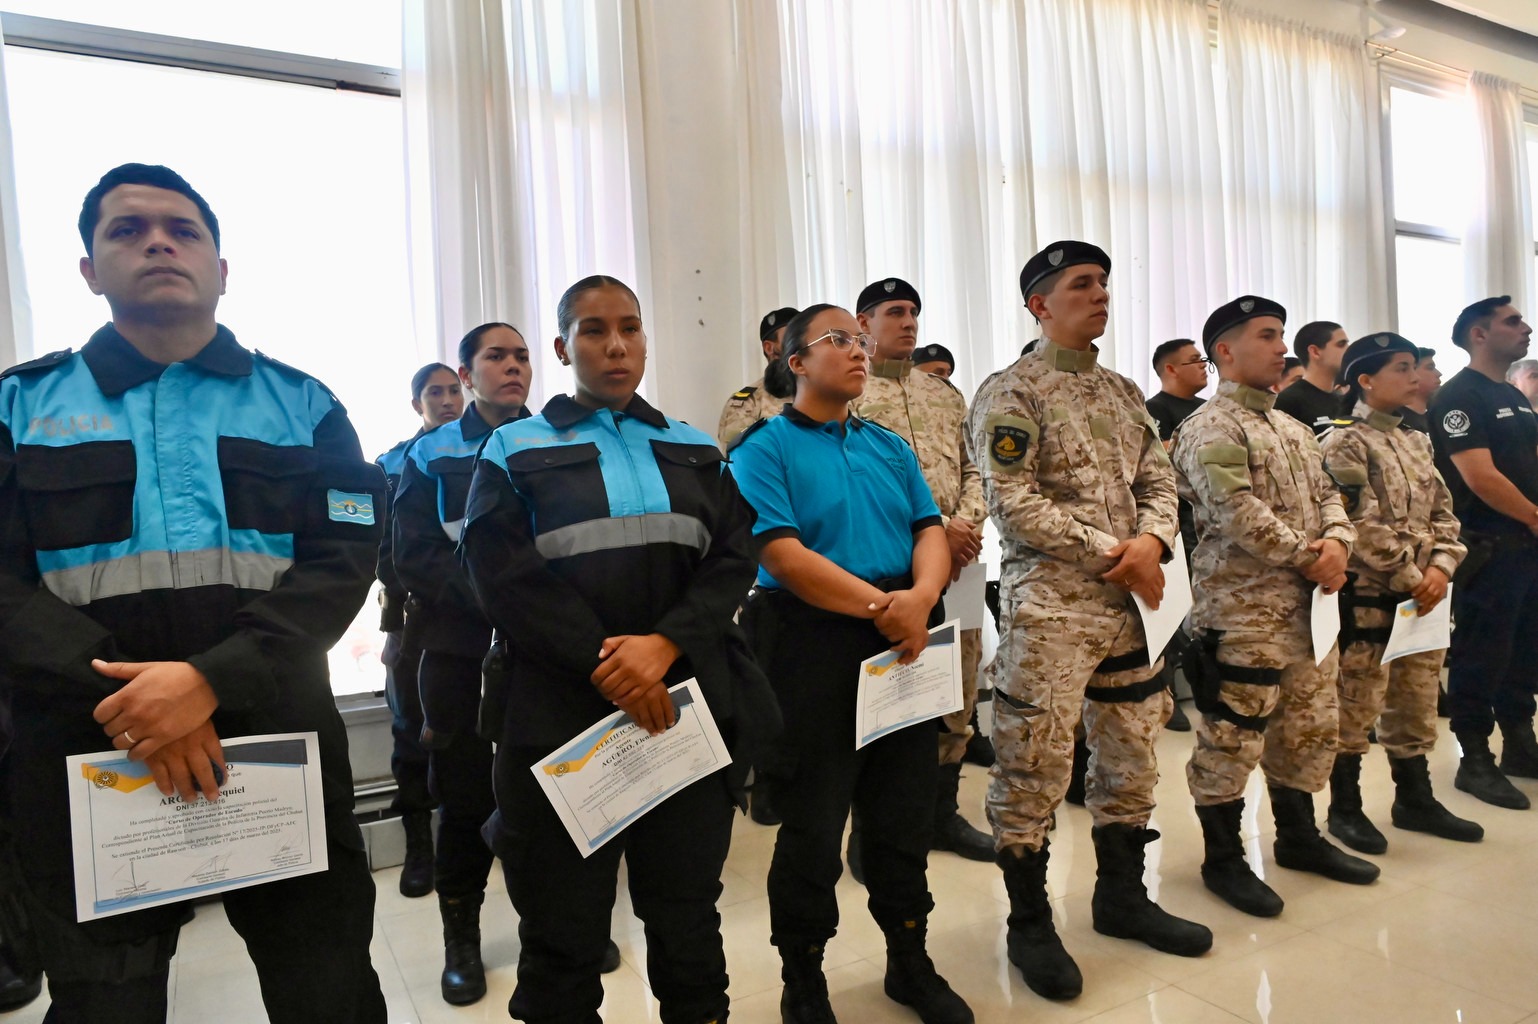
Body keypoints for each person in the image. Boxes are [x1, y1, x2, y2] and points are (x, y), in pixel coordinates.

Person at [0, 163, 387, 1021]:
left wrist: (209, 680)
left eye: (182, 230)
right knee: (107, 1003)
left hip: (276, 733)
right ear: (89, 271)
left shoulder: (306, 405)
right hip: (91, 751)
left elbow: (342, 560)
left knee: (325, 987)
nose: (158, 244)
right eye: (127, 230)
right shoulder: (20, 407)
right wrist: (142, 703)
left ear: (222, 268)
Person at [461, 275, 777, 1024]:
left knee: (687, 918)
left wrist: (662, 647)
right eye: (594, 330)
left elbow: (733, 558)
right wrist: (611, 665)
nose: (616, 345)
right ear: (563, 346)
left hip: (679, 713)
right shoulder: (513, 447)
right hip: (559, 717)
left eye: (630, 328)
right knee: (562, 932)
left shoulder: (691, 445)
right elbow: (499, 574)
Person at [968, 242, 1211, 1004]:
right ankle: (1029, 922)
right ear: (1040, 305)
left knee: (1131, 751)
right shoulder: (1011, 391)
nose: (1099, 293)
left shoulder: (1122, 390)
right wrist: (1118, 552)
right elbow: (1012, 501)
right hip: (1052, 609)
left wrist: (1153, 543)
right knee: (1034, 763)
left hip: (1133, 609)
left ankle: (1122, 898)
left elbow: (1159, 480)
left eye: (1103, 282)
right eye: (1081, 284)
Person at [733, 303, 973, 1024]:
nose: (859, 350)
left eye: (860, 340)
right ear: (795, 362)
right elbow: (783, 556)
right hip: (813, 644)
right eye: (838, 339)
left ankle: (909, 958)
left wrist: (919, 599)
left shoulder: (888, 446)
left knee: (904, 813)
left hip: (904, 636)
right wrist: (883, 607)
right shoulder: (762, 448)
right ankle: (803, 975)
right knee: (812, 824)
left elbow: (928, 530)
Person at [1174, 296, 1375, 921]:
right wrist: (1310, 557)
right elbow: (1234, 510)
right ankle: (1223, 858)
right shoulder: (1211, 427)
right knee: (1232, 738)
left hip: (1309, 612)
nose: (1281, 347)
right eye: (1266, 335)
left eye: (1282, 334)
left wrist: (1338, 544)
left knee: (1308, 727)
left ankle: (1299, 838)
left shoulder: (1293, 429)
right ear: (1225, 351)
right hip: (1243, 616)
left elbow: (1332, 498)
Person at [1318, 332, 1480, 853]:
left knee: (1416, 700)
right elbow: (1357, 524)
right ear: (1366, 380)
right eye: (1402, 368)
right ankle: (1345, 808)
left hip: (1424, 596)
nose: (1415, 377)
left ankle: (1414, 800)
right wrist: (1415, 578)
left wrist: (1442, 567)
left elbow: (1445, 515)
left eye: (1416, 367)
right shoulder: (1344, 441)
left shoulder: (1416, 439)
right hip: (1372, 597)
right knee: (1356, 704)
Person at [852, 277, 991, 865]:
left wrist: (965, 523)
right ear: (863, 323)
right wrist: (936, 530)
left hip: (959, 568)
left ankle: (941, 816)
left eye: (913, 311)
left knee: (956, 692)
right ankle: (871, 832)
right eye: (894, 312)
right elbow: (854, 486)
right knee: (887, 699)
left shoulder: (944, 395)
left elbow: (976, 468)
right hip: (888, 572)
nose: (908, 321)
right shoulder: (851, 394)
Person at [1429, 297, 1538, 810]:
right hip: (1488, 548)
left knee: (1524, 650)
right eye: (1512, 322)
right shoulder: (1459, 396)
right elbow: (1481, 476)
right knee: (1481, 653)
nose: (1526, 327)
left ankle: (1520, 743)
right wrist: (1535, 516)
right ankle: (1474, 758)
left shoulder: (1511, 394)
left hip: (1526, 546)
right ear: (1479, 334)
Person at [375, 362, 463, 899]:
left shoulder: (488, 450)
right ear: (417, 404)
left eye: (454, 389)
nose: (448, 400)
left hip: (478, 618)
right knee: (412, 734)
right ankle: (417, 847)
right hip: (411, 621)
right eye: (435, 392)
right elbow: (381, 550)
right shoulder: (391, 464)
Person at [717, 305, 798, 450]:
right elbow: (738, 458)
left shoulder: (825, 392)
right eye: (792, 336)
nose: (801, 342)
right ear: (769, 348)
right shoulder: (747, 403)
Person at [1275, 320, 1349, 434]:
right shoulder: (1288, 402)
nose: (1349, 350)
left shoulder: (1343, 400)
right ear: (1315, 352)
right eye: (1341, 344)